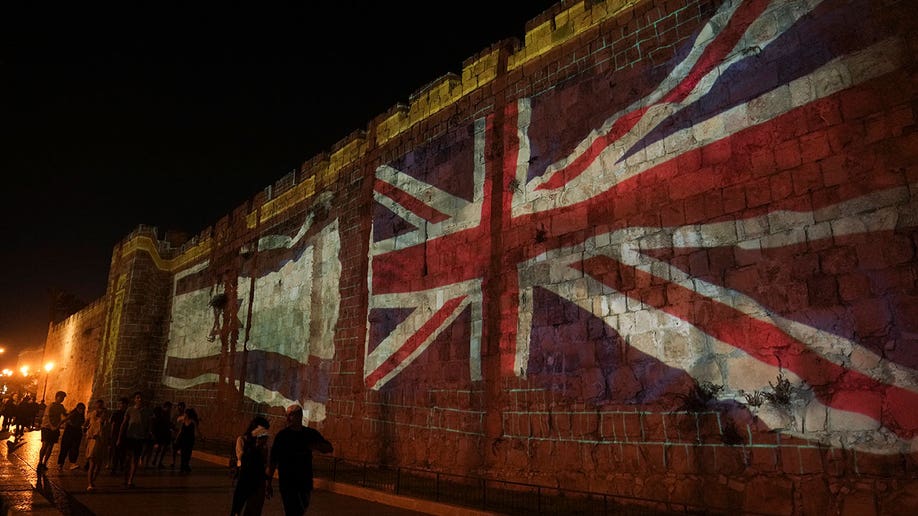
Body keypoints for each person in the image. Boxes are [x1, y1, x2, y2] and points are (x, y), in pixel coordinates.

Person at [266, 405, 333, 515]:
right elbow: (273, 460)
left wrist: (316, 446)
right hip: (287, 482)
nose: (287, 419)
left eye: (290, 416)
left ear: (299, 416)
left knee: (300, 510)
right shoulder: (282, 436)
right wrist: (268, 482)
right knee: (292, 511)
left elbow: (329, 448)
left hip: (304, 482)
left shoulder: (309, 434)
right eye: (286, 416)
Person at [231, 416, 271, 516]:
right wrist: (255, 447)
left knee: (254, 510)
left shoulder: (264, 446)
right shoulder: (242, 440)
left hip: (258, 481)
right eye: (263, 430)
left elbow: (264, 464)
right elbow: (242, 459)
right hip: (244, 478)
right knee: (237, 508)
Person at [117, 391, 153, 487]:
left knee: (135, 459)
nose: (140, 399)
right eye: (137, 397)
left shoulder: (147, 411)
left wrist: (148, 434)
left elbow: (149, 425)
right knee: (128, 459)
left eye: (141, 398)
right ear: (134, 399)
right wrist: (119, 438)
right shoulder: (130, 410)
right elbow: (124, 424)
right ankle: (126, 478)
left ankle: (130, 480)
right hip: (130, 437)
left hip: (140, 438)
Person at [37, 391, 68, 471]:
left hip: (55, 428)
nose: (62, 399)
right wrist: (52, 427)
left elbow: (65, 415)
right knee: (45, 445)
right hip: (47, 428)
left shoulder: (61, 407)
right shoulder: (50, 406)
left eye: (63, 398)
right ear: (57, 397)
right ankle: (40, 462)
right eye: (61, 397)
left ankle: (44, 463)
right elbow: (48, 417)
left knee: (51, 446)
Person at [84, 399, 109, 491]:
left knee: (98, 465)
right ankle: (90, 483)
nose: (99, 409)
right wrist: (86, 431)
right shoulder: (91, 414)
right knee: (92, 463)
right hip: (93, 441)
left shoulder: (105, 416)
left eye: (101, 406)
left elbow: (106, 427)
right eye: (98, 406)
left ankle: (92, 481)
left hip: (101, 441)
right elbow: (85, 424)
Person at [57, 402, 86, 470]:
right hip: (69, 432)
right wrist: (56, 427)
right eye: (81, 409)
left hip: (77, 433)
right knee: (65, 448)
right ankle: (60, 464)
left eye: (83, 409)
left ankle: (72, 463)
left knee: (75, 448)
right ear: (77, 408)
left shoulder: (81, 415)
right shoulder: (74, 414)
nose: (82, 411)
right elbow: (65, 420)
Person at [174, 407, 199, 472]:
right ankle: (183, 465)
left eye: (185, 413)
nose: (184, 415)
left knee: (187, 453)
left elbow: (196, 431)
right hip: (184, 439)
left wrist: (199, 437)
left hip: (189, 440)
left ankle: (185, 465)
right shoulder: (184, 421)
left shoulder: (192, 422)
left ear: (187, 414)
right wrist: (177, 439)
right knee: (184, 452)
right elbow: (180, 431)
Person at [108, 397, 128, 474]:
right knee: (115, 452)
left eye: (122, 404)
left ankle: (122, 466)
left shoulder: (128, 413)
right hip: (115, 435)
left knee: (123, 452)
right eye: (120, 403)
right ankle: (114, 468)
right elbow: (112, 424)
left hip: (125, 435)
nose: (121, 405)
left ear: (126, 405)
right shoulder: (116, 413)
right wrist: (111, 436)